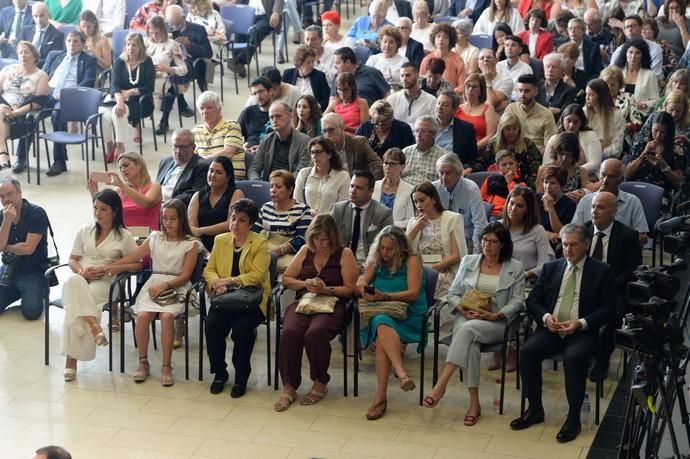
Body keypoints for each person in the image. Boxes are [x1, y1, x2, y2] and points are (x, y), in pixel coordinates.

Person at [511, 223, 614, 443]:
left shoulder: (601, 271)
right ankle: (535, 408)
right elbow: (533, 300)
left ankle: (574, 418)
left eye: (574, 245)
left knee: (574, 358)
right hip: (552, 329)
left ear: (586, 244)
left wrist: (582, 323)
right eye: (565, 245)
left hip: (582, 332)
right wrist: (547, 318)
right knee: (527, 351)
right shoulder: (552, 268)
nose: (568, 250)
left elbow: (608, 309)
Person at [422, 222, 525, 426]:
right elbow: (452, 293)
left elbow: (518, 300)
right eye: (484, 240)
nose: (487, 245)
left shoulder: (515, 267)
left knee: (467, 331)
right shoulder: (469, 261)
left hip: (496, 322)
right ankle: (474, 404)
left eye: (493, 241)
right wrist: (461, 309)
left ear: (503, 244)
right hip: (467, 315)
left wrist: (496, 316)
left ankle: (441, 384)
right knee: (471, 343)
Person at [107, 199, 201, 386]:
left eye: (173, 219)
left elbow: (186, 275)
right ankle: (143, 362)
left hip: (176, 286)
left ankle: (166, 366)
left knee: (167, 317)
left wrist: (164, 286)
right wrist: (108, 266)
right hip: (154, 282)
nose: (168, 223)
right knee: (142, 316)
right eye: (165, 218)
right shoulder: (155, 237)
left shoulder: (191, 244)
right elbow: (134, 257)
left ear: (182, 220)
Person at [274, 214, 358, 411]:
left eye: (324, 240)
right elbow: (286, 279)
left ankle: (320, 380)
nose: (319, 244)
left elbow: (350, 289)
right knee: (290, 332)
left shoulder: (344, 254)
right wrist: (306, 284)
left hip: (333, 302)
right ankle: (289, 385)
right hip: (305, 301)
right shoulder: (305, 250)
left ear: (332, 238)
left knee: (315, 333)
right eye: (316, 239)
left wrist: (326, 289)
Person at [62, 189, 141, 382]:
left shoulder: (124, 236)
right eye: (95, 208)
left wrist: (109, 269)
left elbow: (137, 264)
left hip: (107, 282)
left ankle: (71, 362)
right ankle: (94, 326)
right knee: (73, 282)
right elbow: (72, 260)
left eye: (103, 209)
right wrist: (82, 271)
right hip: (83, 277)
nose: (97, 213)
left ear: (114, 211)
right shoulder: (84, 230)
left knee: (75, 306)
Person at [357, 225, 427, 420]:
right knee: (381, 323)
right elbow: (362, 280)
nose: (385, 252)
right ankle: (400, 374)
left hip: (409, 313)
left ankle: (380, 398)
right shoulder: (377, 259)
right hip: (382, 311)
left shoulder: (412, 260)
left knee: (381, 336)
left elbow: (413, 293)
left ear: (401, 248)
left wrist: (385, 296)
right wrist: (363, 287)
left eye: (390, 249)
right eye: (382, 248)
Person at [204, 198, 271, 398]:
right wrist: (217, 283)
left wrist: (228, 281)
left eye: (242, 220)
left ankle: (241, 377)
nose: (235, 224)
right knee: (212, 325)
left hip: (252, 300)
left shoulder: (260, 243)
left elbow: (256, 276)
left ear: (250, 224)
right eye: (233, 218)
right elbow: (209, 269)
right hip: (224, 299)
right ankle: (220, 373)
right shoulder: (220, 240)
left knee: (242, 330)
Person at [584, 191, 641, 382]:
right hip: (584, 287)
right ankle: (583, 353)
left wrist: (607, 286)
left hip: (615, 288)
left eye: (600, 207)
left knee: (613, 316)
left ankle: (602, 360)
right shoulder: (583, 231)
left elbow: (632, 270)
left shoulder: (627, 235)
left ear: (614, 211)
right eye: (593, 207)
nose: (595, 211)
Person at [38, 31, 97, 177]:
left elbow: (87, 82)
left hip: (69, 96)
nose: (72, 44)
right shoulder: (55, 55)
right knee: (28, 115)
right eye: (69, 41)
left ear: (83, 44)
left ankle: (59, 162)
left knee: (56, 114)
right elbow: (42, 74)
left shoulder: (88, 60)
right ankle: (21, 158)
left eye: (76, 41)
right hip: (48, 92)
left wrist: (66, 94)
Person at [407, 182, 467, 301]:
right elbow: (402, 251)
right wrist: (415, 230)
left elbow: (456, 256)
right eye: (415, 202)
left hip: (445, 272)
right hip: (419, 271)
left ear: (434, 200)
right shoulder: (413, 222)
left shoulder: (452, 218)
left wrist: (430, 271)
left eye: (422, 200)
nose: (419, 205)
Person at [0, 176, 48, 320]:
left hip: (33, 271)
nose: (6, 199)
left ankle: (38, 289)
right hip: (9, 268)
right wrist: (7, 221)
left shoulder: (36, 213)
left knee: (32, 313)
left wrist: (6, 247)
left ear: (20, 193)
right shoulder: (2, 216)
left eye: (10, 194)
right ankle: (18, 292)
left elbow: (28, 248)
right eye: (2, 196)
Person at [103, 32, 155, 158]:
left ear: (141, 47)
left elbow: (149, 87)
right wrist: (120, 98)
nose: (130, 48)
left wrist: (131, 92)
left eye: (134, 45)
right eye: (128, 45)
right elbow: (114, 84)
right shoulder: (120, 62)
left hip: (140, 101)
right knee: (103, 112)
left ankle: (120, 146)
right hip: (118, 98)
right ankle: (109, 145)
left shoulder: (147, 62)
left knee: (117, 111)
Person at [0, 41, 48, 173]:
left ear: (34, 56)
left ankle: (4, 154)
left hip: (21, 112)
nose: (23, 55)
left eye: (26, 52)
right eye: (20, 52)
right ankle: (2, 152)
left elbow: (38, 102)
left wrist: (15, 113)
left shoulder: (41, 76)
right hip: (3, 106)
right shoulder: (8, 70)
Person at [573, 158, 649, 241]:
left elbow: (642, 236)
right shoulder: (586, 201)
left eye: (611, 177)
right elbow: (574, 231)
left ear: (621, 179)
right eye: (603, 175)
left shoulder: (632, 202)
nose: (605, 181)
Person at [254, 170, 313, 270]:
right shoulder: (266, 208)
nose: (273, 190)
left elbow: (302, 239)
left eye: (278, 187)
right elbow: (255, 232)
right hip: (264, 248)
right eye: (271, 186)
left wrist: (278, 251)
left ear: (290, 190)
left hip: (289, 253)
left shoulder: (303, 210)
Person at [88, 151, 162, 232]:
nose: (123, 170)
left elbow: (146, 203)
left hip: (148, 236)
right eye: (120, 168)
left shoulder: (154, 187)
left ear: (139, 165)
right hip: (123, 236)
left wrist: (122, 185)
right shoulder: (119, 191)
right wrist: (94, 194)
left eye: (126, 165)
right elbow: (102, 216)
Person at [331, 170, 394, 264]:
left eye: (359, 188)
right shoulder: (338, 209)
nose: (353, 191)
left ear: (370, 192)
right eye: (352, 186)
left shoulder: (383, 214)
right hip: (341, 263)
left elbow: (389, 247)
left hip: (371, 264)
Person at [624, 111, 685, 204]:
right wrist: (643, 154)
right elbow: (626, 174)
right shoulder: (642, 144)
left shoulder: (676, 148)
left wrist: (663, 165)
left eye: (662, 132)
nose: (658, 135)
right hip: (636, 187)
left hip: (661, 192)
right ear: (651, 127)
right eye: (655, 130)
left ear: (669, 132)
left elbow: (678, 182)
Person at [433, 153, 488, 251]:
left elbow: (480, 224)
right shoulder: (434, 188)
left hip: (465, 239)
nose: (444, 178)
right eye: (441, 173)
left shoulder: (471, 189)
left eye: (448, 173)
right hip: (440, 239)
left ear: (459, 173)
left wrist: (476, 254)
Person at [144, 15, 188, 136]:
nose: (154, 36)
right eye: (151, 33)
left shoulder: (172, 44)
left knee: (169, 89)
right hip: (143, 76)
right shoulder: (145, 42)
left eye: (157, 33)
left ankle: (164, 120)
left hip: (162, 77)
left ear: (163, 30)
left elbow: (183, 69)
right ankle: (136, 119)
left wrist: (168, 68)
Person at [188, 157, 244, 252]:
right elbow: (192, 226)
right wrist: (201, 246)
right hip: (200, 244)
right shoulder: (197, 196)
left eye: (219, 172)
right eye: (211, 171)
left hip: (227, 243)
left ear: (228, 177)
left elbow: (230, 224)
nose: (213, 175)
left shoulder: (236, 194)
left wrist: (202, 230)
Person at [501, 186, 554, 283]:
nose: (513, 209)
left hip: (526, 282)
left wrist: (526, 274)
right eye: (511, 203)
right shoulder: (496, 227)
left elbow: (545, 263)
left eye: (520, 206)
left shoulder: (538, 231)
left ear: (528, 210)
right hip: (498, 279)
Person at [247, 101, 311, 181]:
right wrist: (257, 182)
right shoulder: (266, 140)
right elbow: (254, 168)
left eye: (278, 116)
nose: (274, 120)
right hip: (268, 186)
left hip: (291, 186)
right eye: (271, 117)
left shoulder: (304, 141)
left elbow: (302, 171)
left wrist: (281, 183)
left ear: (290, 115)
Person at [480, 112, 542, 189]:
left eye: (514, 128)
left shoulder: (527, 144)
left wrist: (525, 188)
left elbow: (536, 170)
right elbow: (484, 163)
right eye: (508, 129)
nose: (511, 132)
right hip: (496, 183)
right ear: (501, 130)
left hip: (523, 184)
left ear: (519, 129)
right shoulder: (493, 144)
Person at [192, 91, 245, 180]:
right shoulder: (195, 132)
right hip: (203, 177)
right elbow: (191, 159)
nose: (205, 111)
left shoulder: (231, 126)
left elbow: (228, 153)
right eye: (202, 108)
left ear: (219, 109)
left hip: (229, 178)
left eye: (209, 107)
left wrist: (203, 161)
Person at [226, 0, 283, 78]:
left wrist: (276, 12)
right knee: (239, 31)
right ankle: (239, 64)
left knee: (255, 31)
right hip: (248, 14)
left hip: (266, 16)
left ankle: (239, 61)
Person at [543, 103, 603, 176]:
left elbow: (595, 164)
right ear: (562, 120)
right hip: (558, 179)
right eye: (568, 121)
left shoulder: (590, 136)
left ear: (581, 122)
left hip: (587, 176)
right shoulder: (554, 139)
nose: (571, 126)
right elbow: (546, 164)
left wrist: (572, 173)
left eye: (576, 122)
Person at [295, 137, 350, 215]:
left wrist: (322, 217)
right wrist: (311, 213)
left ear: (329, 155)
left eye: (318, 152)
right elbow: (297, 202)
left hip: (331, 222)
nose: (314, 156)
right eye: (312, 152)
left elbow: (342, 207)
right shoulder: (304, 173)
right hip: (306, 220)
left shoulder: (343, 176)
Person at [503, 74, 557, 151]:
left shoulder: (546, 114)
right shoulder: (511, 108)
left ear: (536, 92)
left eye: (527, 91)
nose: (522, 95)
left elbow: (549, 146)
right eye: (520, 90)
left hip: (536, 156)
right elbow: (501, 134)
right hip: (512, 154)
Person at [321, 112, 384, 178]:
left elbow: (378, 165)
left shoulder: (358, 142)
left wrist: (369, 184)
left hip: (356, 185)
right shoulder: (322, 148)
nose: (327, 135)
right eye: (324, 131)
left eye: (331, 130)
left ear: (342, 127)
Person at [156, 128, 209, 205]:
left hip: (176, 209)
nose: (178, 151)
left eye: (183, 147)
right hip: (156, 204)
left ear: (193, 148)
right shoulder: (165, 161)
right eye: (175, 146)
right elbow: (156, 186)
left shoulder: (202, 166)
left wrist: (168, 204)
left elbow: (194, 195)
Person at [538, 132, 591, 201]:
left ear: (574, 155)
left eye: (568, 155)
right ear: (556, 152)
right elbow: (539, 197)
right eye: (561, 154)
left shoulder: (581, 171)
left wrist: (582, 193)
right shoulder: (544, 169)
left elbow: (587, 197)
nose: (564, 158)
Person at [612, 38, 659, 115]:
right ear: (625, 53)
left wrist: (644, 105)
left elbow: (655, 101)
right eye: (630, 52)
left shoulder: (650, 75)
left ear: (642, 55)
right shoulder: (617, 71)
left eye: (637, 53)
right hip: (617, 114)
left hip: (639, 115)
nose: (633, 56)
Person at [610, 15, 663, 79]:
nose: (630, 29)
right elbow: (611, 71)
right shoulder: (619, 50)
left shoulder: (655, 49)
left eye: (633, 26)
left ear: (641, 28)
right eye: (627, 27)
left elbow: (655, 75)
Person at [373, 148, 415, 228]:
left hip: (397, 233)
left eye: (392, 164)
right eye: (385, 163)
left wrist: (390, 225)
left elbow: (410, 220)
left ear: (403, 166)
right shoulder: (374, 186)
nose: (388, 167)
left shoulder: (410, 190)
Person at [584, 78, 625, 160]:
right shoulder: (584, 112)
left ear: (601, 97)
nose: (587, 98)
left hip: (606, 156)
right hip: (586, 154)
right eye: (586, 94)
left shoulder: (616, 115)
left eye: (591, 95)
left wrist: (597, 153)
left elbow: (617, 147)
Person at [386, 62, 436, 128]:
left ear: (417, 76)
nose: (404, 79)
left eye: (408, 75)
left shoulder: (431, 100)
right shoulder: (391, 99)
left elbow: (433, 127)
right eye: (402, 76)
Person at [434, 91, 478, 166]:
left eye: (445, 105)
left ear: (454, 109)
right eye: (438, 103)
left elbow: (472, 158)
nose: (440, 107)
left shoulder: (466, 129)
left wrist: (467, 168)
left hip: (454, 169)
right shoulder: (427, 125)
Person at [419, 23, 466, 93]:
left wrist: (449, 94)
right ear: (434, 39)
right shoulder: (426, 59)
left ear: (450, 41)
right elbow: (420, 83)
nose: (441, 39)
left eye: (445, 37)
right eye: (438, 36)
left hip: (451, 96)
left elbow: (462, 86)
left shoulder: (458, 60)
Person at [402, 116, 449, 186]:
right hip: (405, 192)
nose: (419, 135)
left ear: (433, 134)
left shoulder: (444, 157)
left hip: (429, 193)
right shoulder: (405, 152)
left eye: (423, 131)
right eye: (417, 131)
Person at [282, 45, 330, 111]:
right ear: (299, 63)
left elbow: (326, 100)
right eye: (308, 62)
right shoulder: (288, 74)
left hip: (312, 113)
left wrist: (314, 108)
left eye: (313, 62)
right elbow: (281, 96)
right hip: (290, 112)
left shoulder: (319, 76)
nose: (312, 65)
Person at [456, 73, 497, 150]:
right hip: (457, 148)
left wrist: (473, 148)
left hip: (479, 150)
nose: (470, 89)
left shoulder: (488, 109)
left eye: (475, 87)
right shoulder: (457, 109)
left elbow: (491, 136)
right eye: (468, 86)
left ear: (481, 91)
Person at [481, 150, 525, 218]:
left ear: (516, 165)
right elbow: (481, 197)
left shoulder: (521, 183)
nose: (508, 167)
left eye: (511, 163)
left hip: (507, 215)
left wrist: (510, 182)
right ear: (497, 167)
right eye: (504, 165)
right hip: (489, 212)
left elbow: (517, 199)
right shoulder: (491, 179)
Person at [539, 164, 576, 243]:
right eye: (545, 182)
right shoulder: (536, 199)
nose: (548, 186)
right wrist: (545, 234)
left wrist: (551, 208)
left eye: (553, 183)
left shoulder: (569, 205)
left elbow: (561, 233)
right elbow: (527, 225)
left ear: (561, 185)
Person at [536, 53, 578, 120]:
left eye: (554, 67)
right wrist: (551, 111)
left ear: (562, 71)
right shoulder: (536, 86)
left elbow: (564, 114)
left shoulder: (569, 91)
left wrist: (539, 111)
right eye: (547, 67)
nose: (550, 70)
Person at [21, 2, 63, 67]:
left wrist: (31, 63)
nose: (38, 20)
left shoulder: (57, 35)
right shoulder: (25, 30)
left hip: (41, 68)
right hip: (23, 65)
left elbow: (54, 59)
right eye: (35, 16)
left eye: (41, 16)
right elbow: (18, 51)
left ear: (49, 15)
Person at [237, 77, 273, 151]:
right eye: (254, 94)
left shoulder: (281, 112)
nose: (258, 96)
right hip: (248, 153)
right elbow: (233, 134)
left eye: (261, 91)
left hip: (271, 154)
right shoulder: (248, 112)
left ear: (271, 91)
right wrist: (241, 147)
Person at [567, 17, 604, 81]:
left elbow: (598, 71)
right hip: (568, 80)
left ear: (583, 31)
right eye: (570, 28)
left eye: (577, 28)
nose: (573, 31)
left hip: (587, 80)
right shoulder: (562, 48)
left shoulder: (593, 47)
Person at [477, 48, 513, 112]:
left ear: (496, 60)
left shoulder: (506, 80)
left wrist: (488, 80)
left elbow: (491, 104)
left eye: (489, 57)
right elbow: (468, 104)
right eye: (482, 58)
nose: (485, 59)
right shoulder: (474, 79)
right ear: (478, 64)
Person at [78, 9, 112, 74]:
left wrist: (93, 55)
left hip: (95, 72)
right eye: (83, 26)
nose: (86, 30)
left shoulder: (103, 40)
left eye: (89, 27)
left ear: (94, 24)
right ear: (79, 26)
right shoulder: (77, 38)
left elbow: (108, 66)